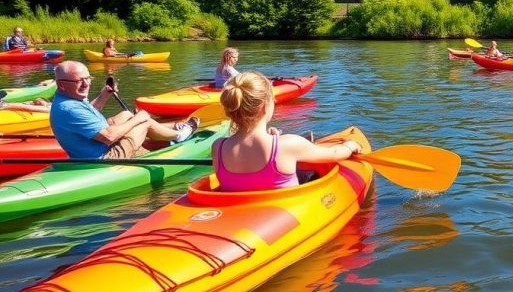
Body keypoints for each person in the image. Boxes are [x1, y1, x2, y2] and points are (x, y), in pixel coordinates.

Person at [214, 71, 363, 192]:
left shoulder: (218, 147)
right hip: (282, 216)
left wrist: (270, 138)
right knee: (312, 175)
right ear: (264, 107)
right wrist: (349, 146)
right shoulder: (288, 144)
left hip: (237, 215)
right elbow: (334, 155)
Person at [49, 61, 198, 159]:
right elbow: (108, 137)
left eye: (88, 78)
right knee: (143, 120)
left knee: (126, 114)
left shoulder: (69, 98)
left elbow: (88, 112)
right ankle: (179, 135)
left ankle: (169, 134)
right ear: (61, 85)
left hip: (95, 148)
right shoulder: (69, 108)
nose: (86, 84)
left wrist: (104, 95)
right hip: (105, 157)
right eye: (79, 81)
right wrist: (138, 119)